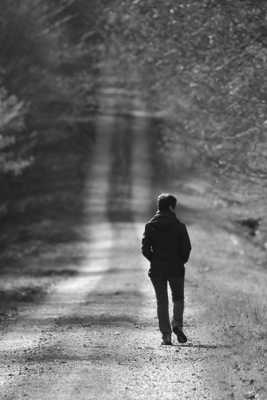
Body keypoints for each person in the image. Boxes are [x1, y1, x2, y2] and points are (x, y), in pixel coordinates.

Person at [142, 193, 191, 345]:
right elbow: (187, 248)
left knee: (161, 301)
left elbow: (145, 249)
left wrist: (155, 260)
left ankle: (166, 336)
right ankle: (177, 324)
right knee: (178, 299)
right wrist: (180, 260)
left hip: (157, 269)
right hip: (176, 268)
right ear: (171, 207)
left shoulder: (150, 225)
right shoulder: (180, 226)